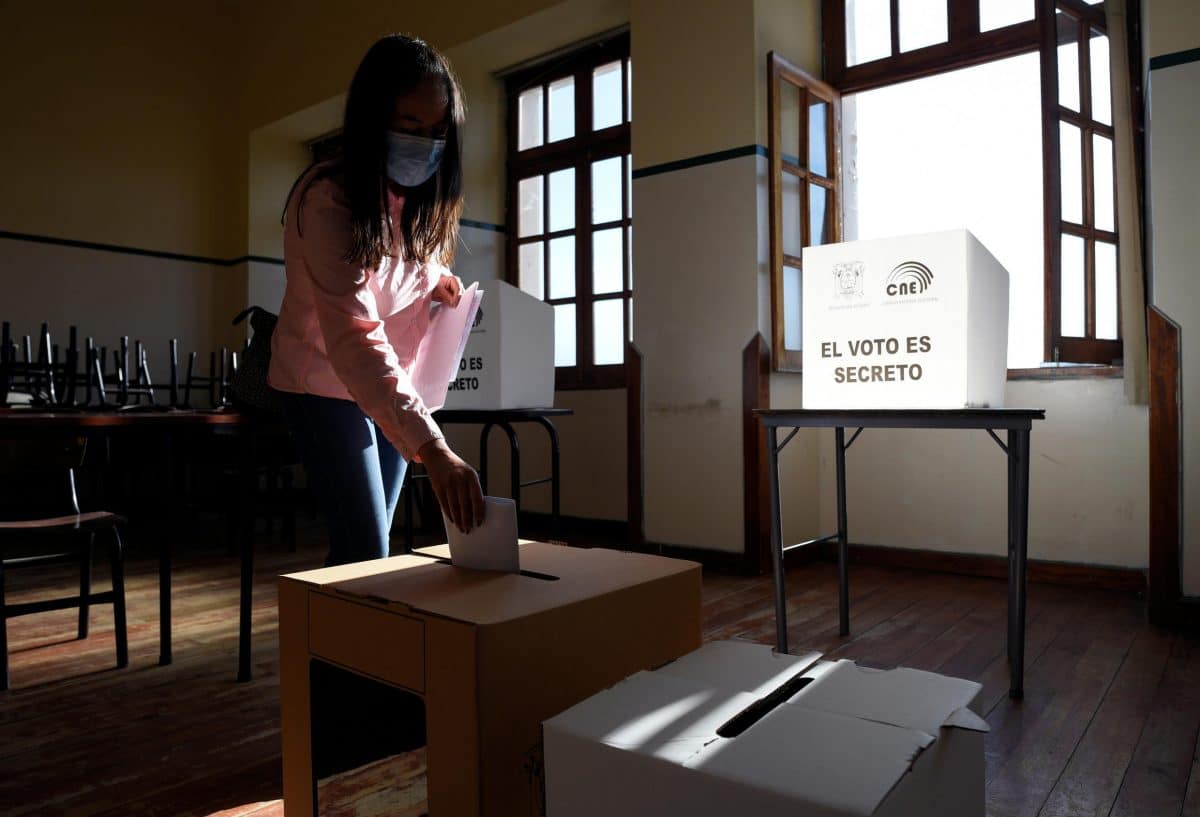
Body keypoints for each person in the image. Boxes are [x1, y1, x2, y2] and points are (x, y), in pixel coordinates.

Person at [268, 34, 485, 566]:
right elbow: (355, 335)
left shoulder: (418, 205)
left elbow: (409, 268)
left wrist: (438, 281)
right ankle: (330, 646)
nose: (426, 145)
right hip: (318, 381)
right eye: (411, 128)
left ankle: (343, 642)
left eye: (438, 132)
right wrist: (433, 447)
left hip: (388, 384)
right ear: (372, 120)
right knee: (367, 545)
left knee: (368, 546)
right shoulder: (327, 200)